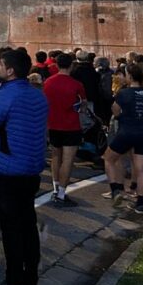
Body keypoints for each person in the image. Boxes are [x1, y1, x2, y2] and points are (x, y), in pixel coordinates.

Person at [0, 48, 49, 285]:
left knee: (11, 228)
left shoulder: (3, 95)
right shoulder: (38, 95)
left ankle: (14, 283)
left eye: (0, 64)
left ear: (10, 70)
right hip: (31, 168)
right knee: (28, 223)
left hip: (7, 168)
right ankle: (30, 281)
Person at [104, 63, 143, 214]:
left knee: (109, 158)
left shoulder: (123, 93)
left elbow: (115, 110)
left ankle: (116, 190)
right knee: (142, 169)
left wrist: (120, 116)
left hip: (127, 131)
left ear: (130, 77)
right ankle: (140, 204)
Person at [43, 52, 86, 207]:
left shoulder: (48, 82)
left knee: (56, 156)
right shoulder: (77, 84)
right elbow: (83, 106)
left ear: (56, 64)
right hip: (71, 125)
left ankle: (55, 188)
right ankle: (61, 193)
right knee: (68, 160)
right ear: (71, 65)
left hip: (53, 123)